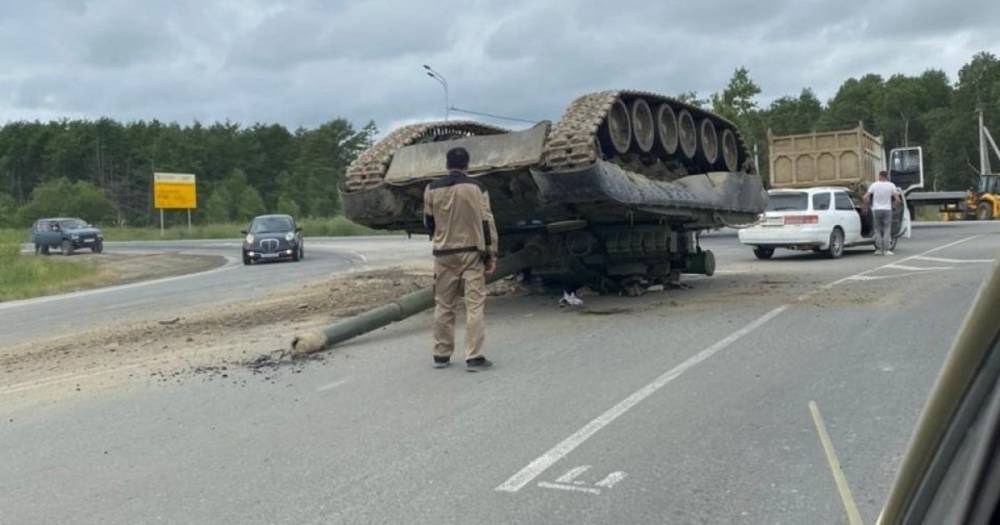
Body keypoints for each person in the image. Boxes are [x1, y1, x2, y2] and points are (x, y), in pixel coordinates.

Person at [423, 147, 499, 371]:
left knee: (444, 304)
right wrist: (491, 254)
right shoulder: (478, 188)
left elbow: (428, 222)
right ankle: (473, 356)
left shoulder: (431, 189)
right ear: (467, 165)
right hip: (471, 252)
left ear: (447, 165)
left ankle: (441, 354)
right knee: (474, 304)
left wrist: (441, 236)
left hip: (443, 253)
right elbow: (487, 222)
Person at [863, 171, 902, 256]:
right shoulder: (891, 185)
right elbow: (898, 200)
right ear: (886, 176)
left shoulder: (874, 185)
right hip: (887, 209)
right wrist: (893, 206)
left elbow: (865, 197)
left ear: (880, 176)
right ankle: (887, 250)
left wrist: (866, 206)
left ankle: (879, 249)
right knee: (887, 229)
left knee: (877, 229)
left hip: (876, 209)